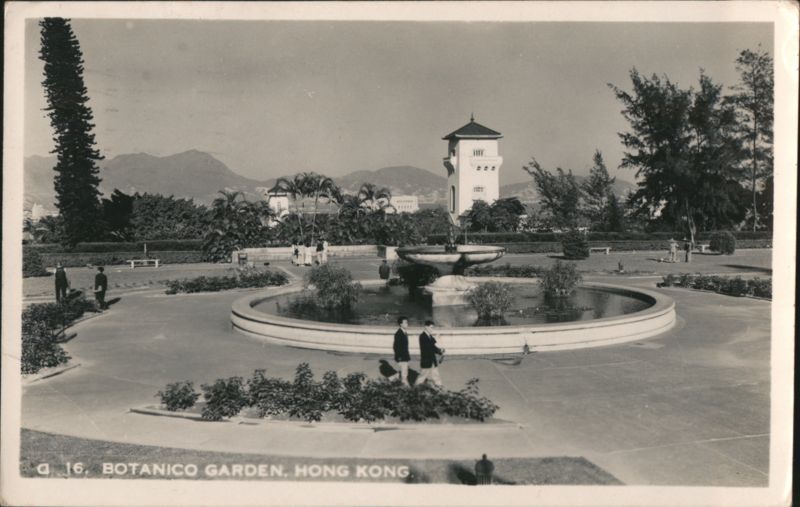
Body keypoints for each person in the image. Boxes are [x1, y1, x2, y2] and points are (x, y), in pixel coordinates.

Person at [417, 320, 444, 387]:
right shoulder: (422, 336)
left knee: (436, 374)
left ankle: (439, 386)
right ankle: (416, 387)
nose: (432, 329)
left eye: (433, 327)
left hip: (432, 359)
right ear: (426, 327)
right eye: (431, 327)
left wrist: (440, 351)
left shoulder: (430, 336)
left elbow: (433, 347)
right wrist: (436, 339)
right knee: (422, 376)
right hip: (426, 359)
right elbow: (428, 346)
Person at [390, 316, 411, 386]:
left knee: (404, 372)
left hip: (405, 356)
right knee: (404, 374)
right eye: (405, 322)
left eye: (407, 322)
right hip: (401, 357)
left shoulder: (404, 332)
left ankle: (391, 379)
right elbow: (396, 347)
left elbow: (405, 347)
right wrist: (399, 358)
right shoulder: (398, 334)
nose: (407, 324)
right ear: (401, 324)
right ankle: (406, 388)